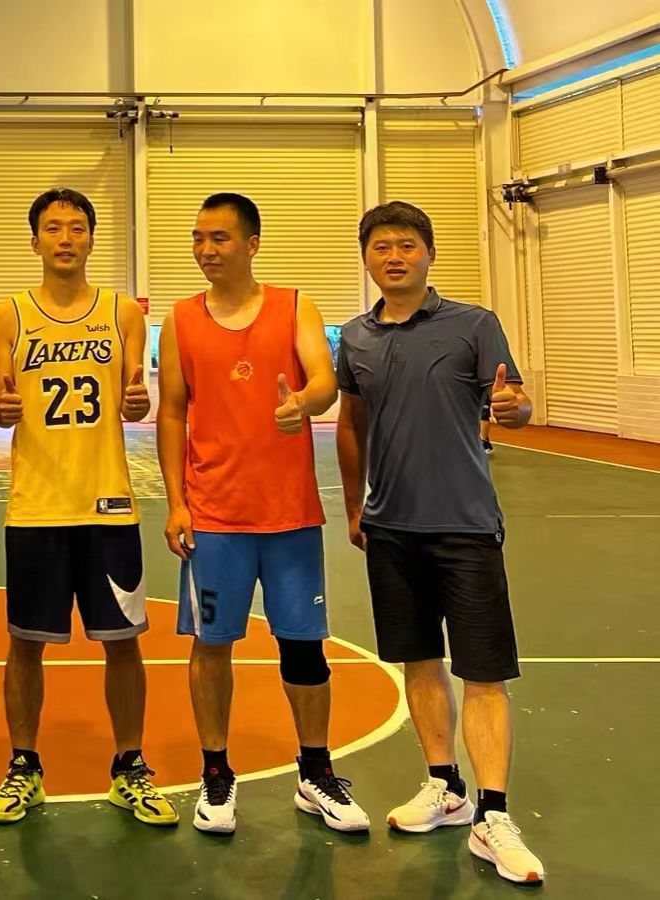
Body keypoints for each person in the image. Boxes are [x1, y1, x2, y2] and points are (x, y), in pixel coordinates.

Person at [336, 201, 543, 884]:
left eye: (406, 245)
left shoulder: (474, 325)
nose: (393, 257)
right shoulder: (356, 338)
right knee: (419, 661)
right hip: (391, 529)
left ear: (429, 253)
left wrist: (514, 409)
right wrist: (356, 505)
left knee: (483, 672)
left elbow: (514, 402)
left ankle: (494, 815)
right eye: (381, 247)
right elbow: (351, 422)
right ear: (366, 258)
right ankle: (445, 787)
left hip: (466, 526)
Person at [156, 192, 369, 834]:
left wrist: (303, 402)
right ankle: (216, 772)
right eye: (198, 238)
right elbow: (172, 411)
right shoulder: (180, 319)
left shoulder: (295, 305)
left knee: (303, 647)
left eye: (219, 237)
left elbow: (325, 381)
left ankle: (315, 772)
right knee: (211, 646)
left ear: (252, 243)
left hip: (289, 515)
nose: (206, 249)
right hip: (214, 515)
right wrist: (176, 502)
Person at [0, 188, 176, 826]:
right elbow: (0, 404)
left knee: (123, 644)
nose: (65, 238)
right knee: (25, 644)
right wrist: (0, 410)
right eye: (52, 228)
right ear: (34, 240)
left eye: (76, 228)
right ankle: (24, 767)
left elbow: (135, 395)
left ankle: (130, 767)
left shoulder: (122, 312)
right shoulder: (8, 313)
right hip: (36, 506)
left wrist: (138, 403)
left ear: (92, 238)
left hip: (108, 505)